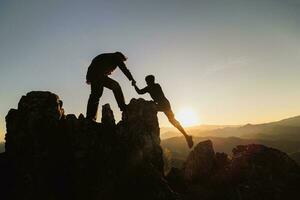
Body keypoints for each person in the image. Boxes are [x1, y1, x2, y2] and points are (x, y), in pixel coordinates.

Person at [133, 75, 194, 148]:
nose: (146, 83)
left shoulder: (153, 86)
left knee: (170, 120)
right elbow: (140, 92)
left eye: (147, 82)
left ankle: (187, 136)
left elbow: (140, 92)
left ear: (150, 81)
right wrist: (135, 85)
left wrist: (134, 85)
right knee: (173, 121)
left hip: (163, 105)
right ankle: (187, 136)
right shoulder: (154, 86)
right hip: (165, 104)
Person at [86, 52, 136, 121]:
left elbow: (95, 66)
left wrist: (89, 77)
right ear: (120, 57)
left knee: (95, 95)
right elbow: (124, 68)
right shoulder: (116, 57)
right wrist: (131, 79)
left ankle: (90, 117)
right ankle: (122, 106)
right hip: (98, 75)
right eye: (122, 60)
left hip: (93, 75)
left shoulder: (107, 57)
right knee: (116, 86)